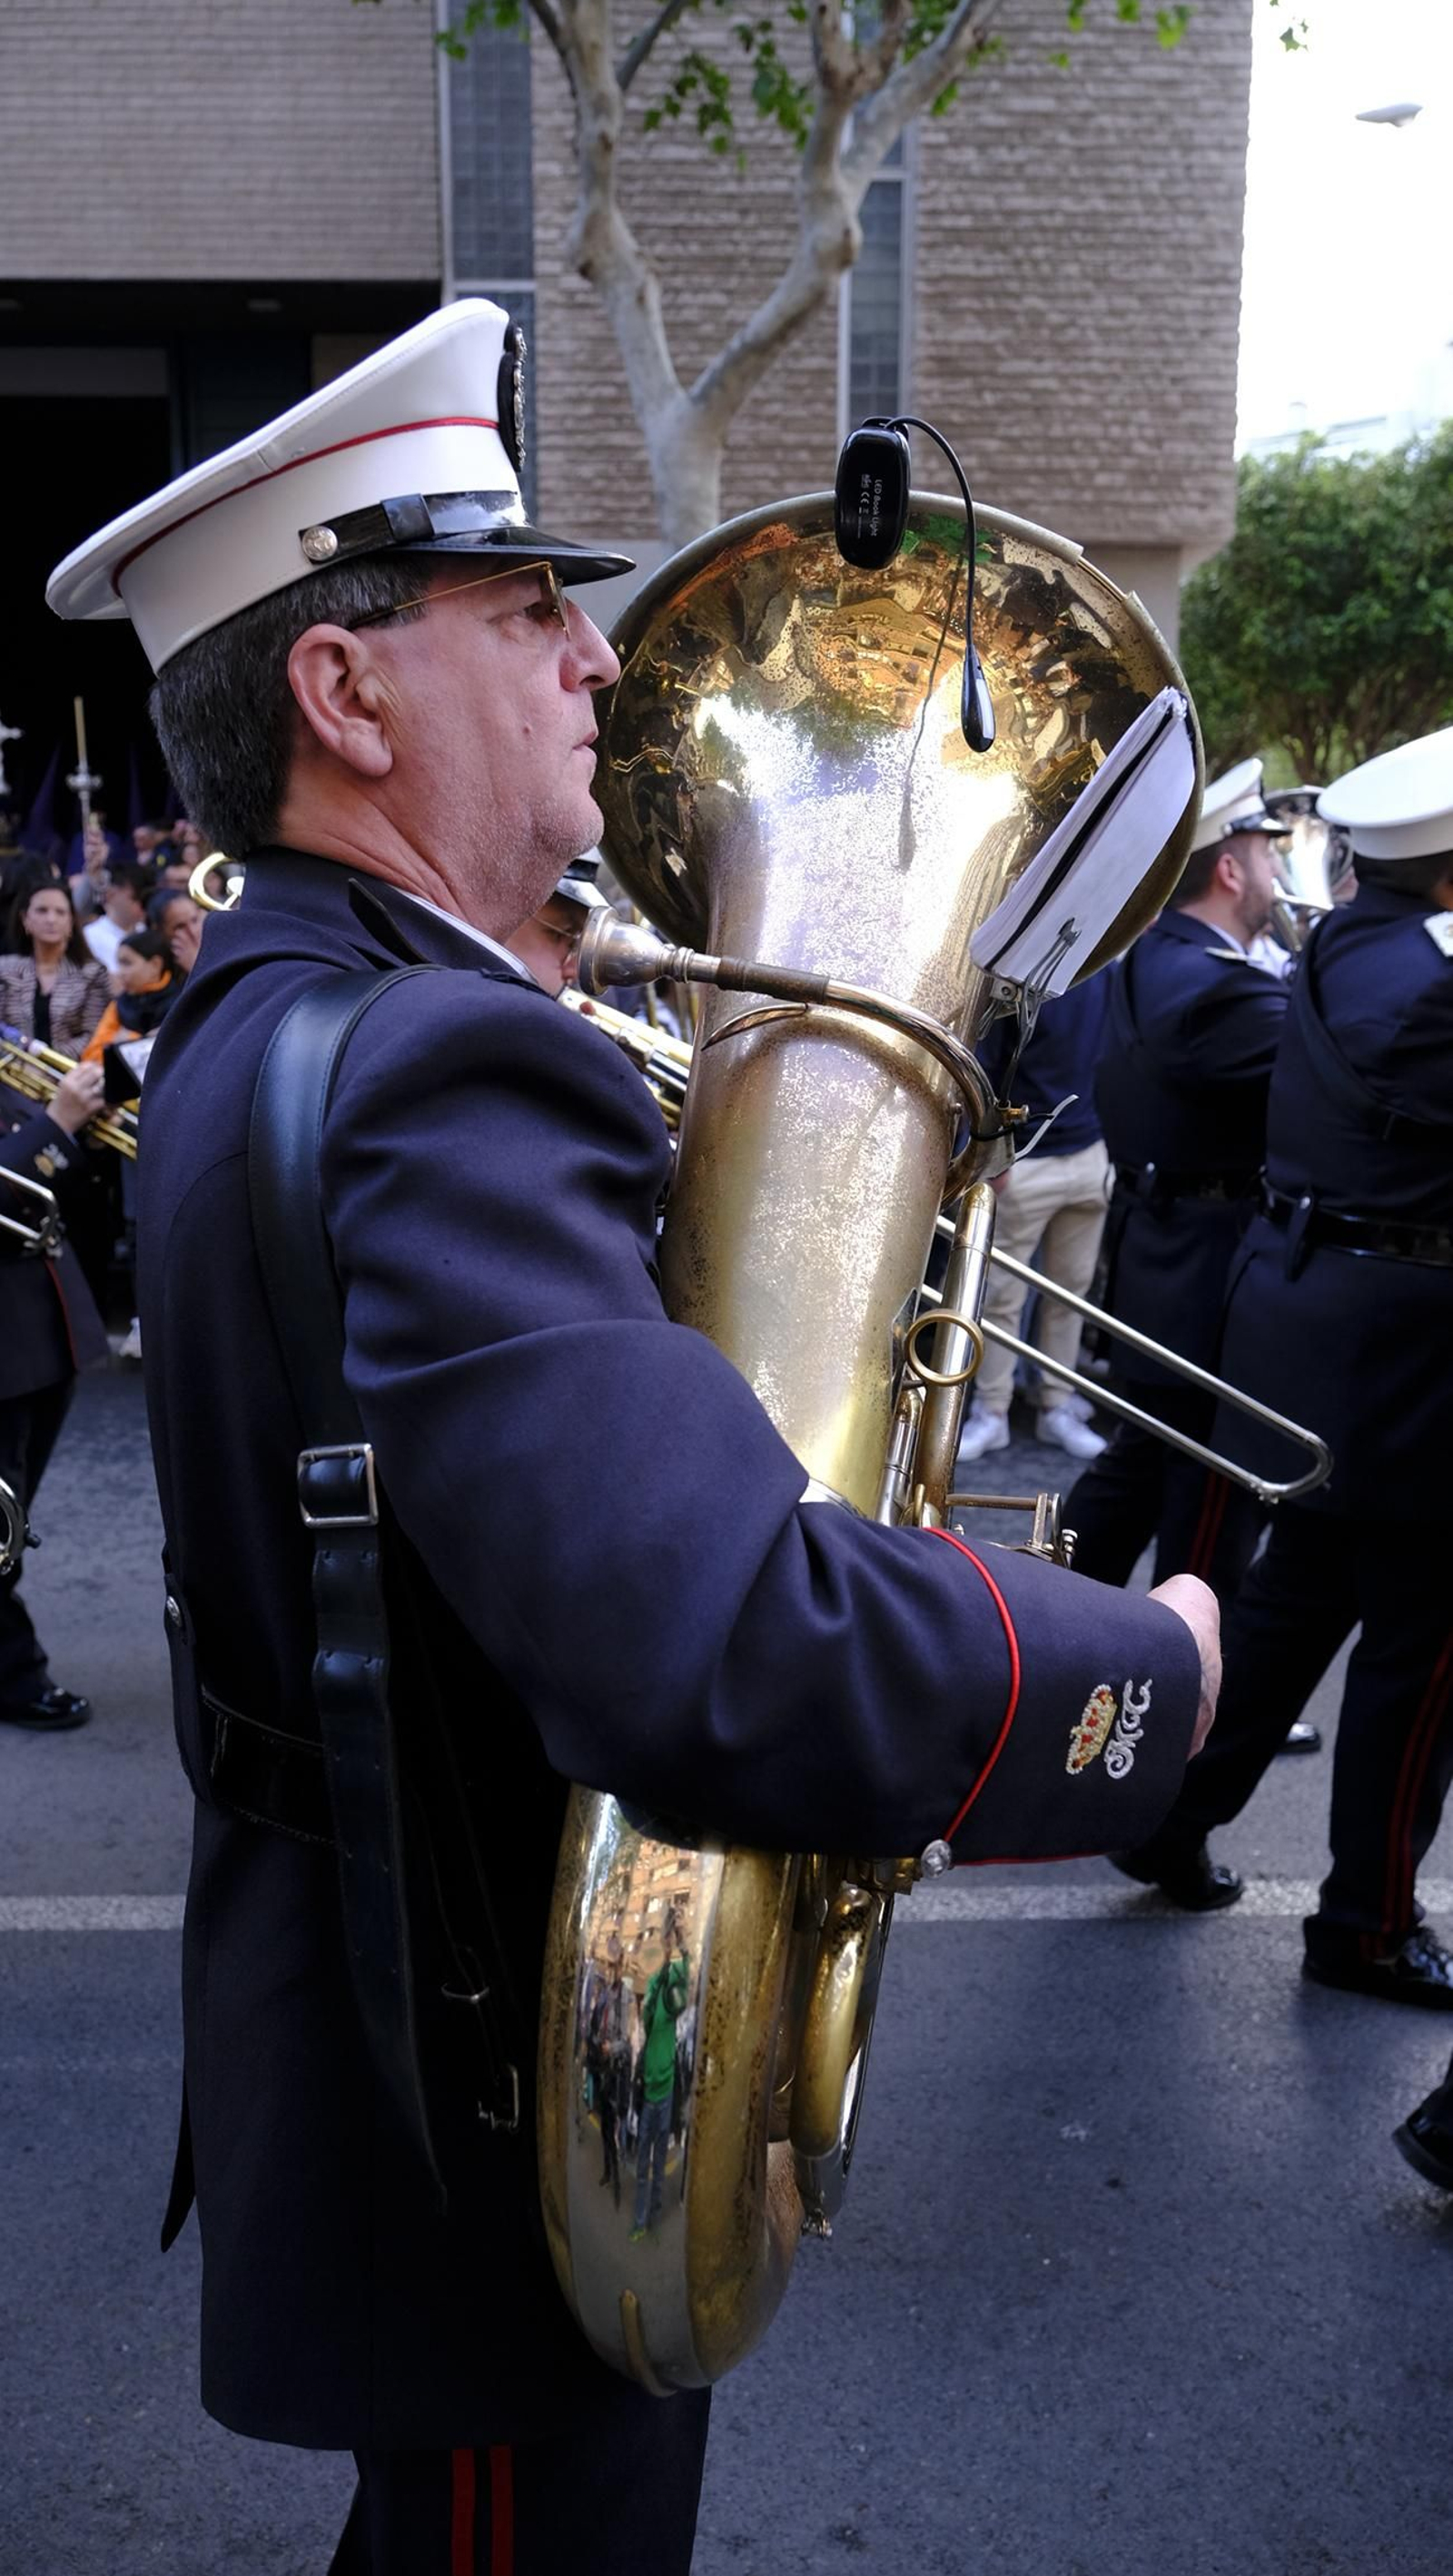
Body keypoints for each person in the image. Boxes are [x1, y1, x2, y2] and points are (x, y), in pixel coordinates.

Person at [48, 299, 1220, 2574]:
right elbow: (728, 1638)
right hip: (486, 2065)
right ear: (344, 687)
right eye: (518, 614)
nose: (593, 661)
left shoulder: (275, 1017)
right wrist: (1136, 1680)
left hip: (404, 1996)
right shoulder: (428, 1068)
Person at [1113, 728, 1453, 1981]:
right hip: (1416, 1353)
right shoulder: (1422, 985)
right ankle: (1365, 1920)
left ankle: (1168, 1819)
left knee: (1294, 1604)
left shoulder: (1352, 947)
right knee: (1421, 1645)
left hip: (1322, 1332)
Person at [1061, 759, 1292, 1607]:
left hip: (1164, 1255)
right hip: (1209, 1276)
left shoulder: (1154, 954)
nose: (1276, 873)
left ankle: (1063, 1630)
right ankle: (1186, 1689)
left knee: (1138, 1465)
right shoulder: (1219, 986)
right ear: (1229, 868)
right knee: (1209, 1507)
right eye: (1268, 854)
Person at [957, 980, 1114, 1466]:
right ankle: (993, 1411)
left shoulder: (1110, 966)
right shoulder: (1025, 977)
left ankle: (1054, 1405)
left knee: (1071, 1291)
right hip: (1027, 1158)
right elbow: (980, 1066)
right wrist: (993, 1156)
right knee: (1002, 1294)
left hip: (1088, 1151)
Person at [0, 1055, 110, 1729]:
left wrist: (77, 1128)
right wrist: (58, 1122)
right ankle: (16, 1674)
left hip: (42, 1333)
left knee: (14, 1518)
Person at [0, 879, 109, 1053]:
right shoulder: (4, 970)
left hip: (73, 1074)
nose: (51, 919)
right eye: (42, 911)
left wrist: (45, 1062)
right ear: (25, 919)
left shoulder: (93, 973)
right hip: (12, 1071)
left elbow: (95, 1035)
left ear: (71, 921)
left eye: (60, 912)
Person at [81, 924, 177, 1063]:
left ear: (155, 965)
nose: (120, 972)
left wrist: (128, 1042)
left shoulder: (181, 1002)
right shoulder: (119, 1005)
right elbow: (91, 1056)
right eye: (119, 964)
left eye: (127, 963)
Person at [83, 861, 154, 972]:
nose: (142, 906)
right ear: (111, 894)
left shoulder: (147, 933)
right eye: (135, 898)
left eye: (146, 900)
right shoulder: (90, 937)